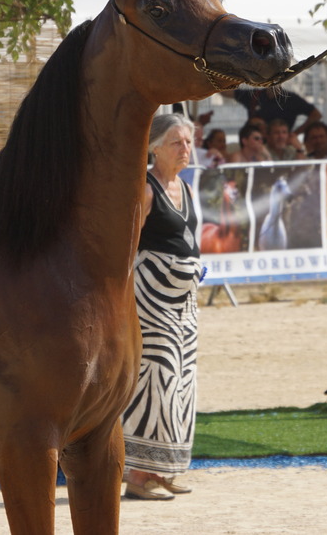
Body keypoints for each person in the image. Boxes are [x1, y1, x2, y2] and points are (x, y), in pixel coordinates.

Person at [123, 113, 203, 501]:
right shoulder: (146, 188)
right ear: (154, 147)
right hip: (152, 304)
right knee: (157, 381)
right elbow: (128, 246)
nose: (185, 149)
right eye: (176, 142)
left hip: (185, 306)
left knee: (183, 383)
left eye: (188, 142)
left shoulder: (185, 189)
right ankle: (138, 475)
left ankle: (164, 469)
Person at [224, 86, 322, 135]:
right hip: (257, 143)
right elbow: (227, 92)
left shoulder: (291, 99)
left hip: (281, 144)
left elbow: (316, 114)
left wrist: (295, 134)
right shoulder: (255, 95)